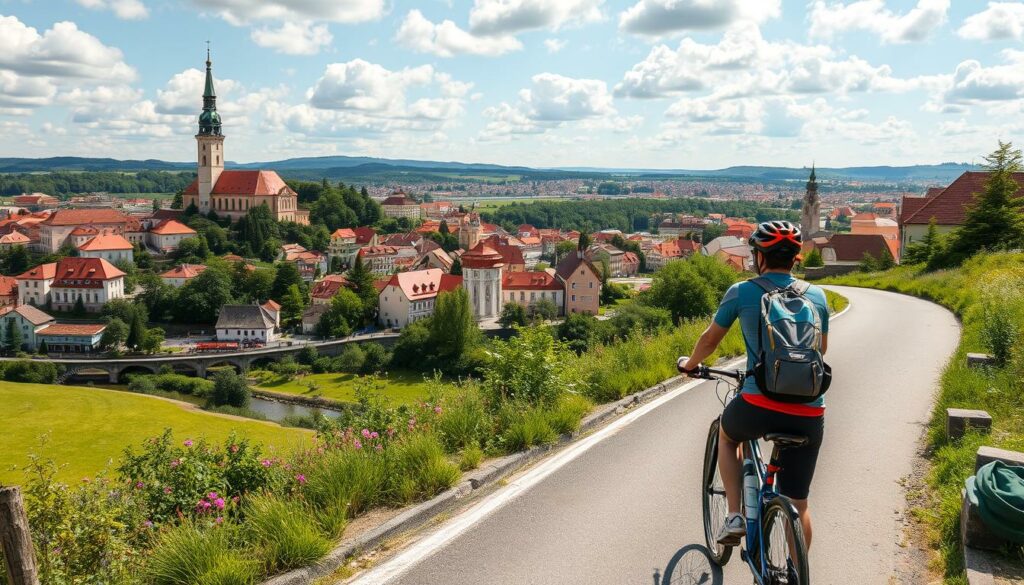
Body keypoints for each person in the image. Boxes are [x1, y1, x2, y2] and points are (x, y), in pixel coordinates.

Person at [679, 221, 829, 549]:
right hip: (809, 413)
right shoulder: (817, 296)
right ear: (795, 258)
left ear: (759, 256)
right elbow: (821, 350)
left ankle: (734, 514)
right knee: (798, 505)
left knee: (728, 435)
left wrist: (689, 365)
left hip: (757, 405)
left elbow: (709, 341)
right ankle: (796, 572)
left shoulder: (743, 292)